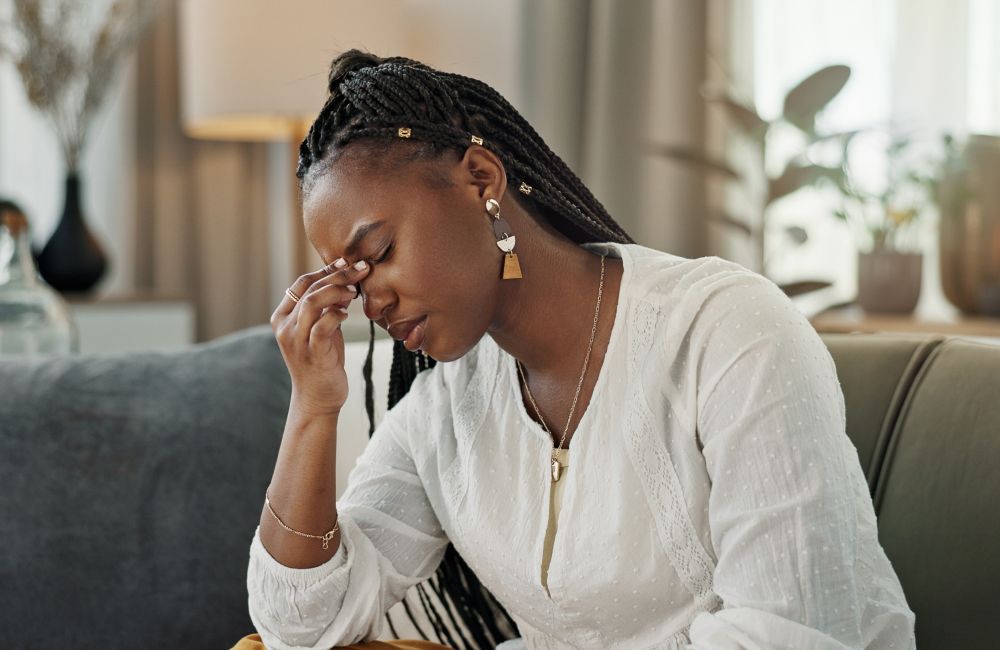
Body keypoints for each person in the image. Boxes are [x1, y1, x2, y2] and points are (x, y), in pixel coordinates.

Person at [236, 49, 915, 650]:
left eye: (378, 253)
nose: (370, 301)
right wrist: (313, 408)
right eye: (349, 279)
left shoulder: (727, 331)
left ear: (480, 178)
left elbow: (788, 635)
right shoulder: (448, 408)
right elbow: (300, 626)